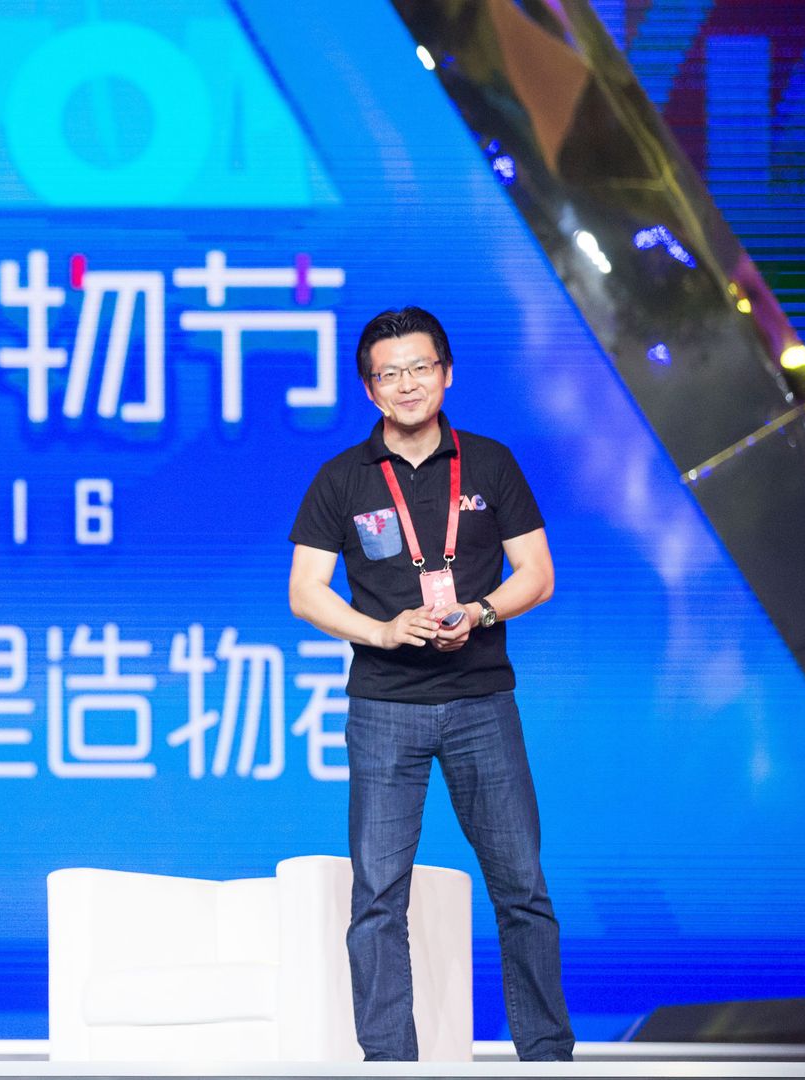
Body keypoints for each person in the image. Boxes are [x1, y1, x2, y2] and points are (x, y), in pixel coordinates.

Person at [287, 306, 573, 1061]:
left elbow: (537, 574)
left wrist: (478, 611)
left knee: (522, 889)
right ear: (370, 389)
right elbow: (306, 590)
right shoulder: (341, 478)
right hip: (385, 707)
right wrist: (382, 631)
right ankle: (389, 1063)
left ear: (446, 373)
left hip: (482, 699)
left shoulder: (490, 464)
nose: (406, 384)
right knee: (377, 897)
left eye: (420, 368)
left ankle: (547, 1057)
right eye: (389, 373)